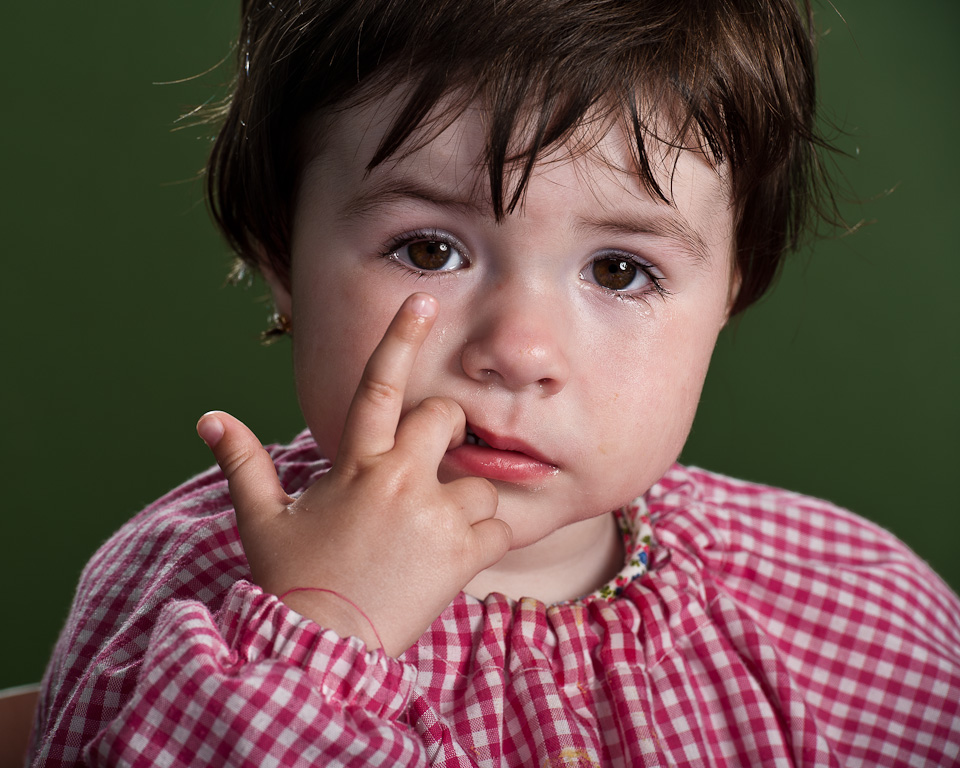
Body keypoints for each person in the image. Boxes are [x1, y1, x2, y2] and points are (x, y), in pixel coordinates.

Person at [28, 0, 960, 765]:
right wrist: (314, 646)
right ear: (281, 250)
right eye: (429, 249)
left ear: (732, 288)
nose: (517, 351)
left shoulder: (860, 610)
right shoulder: (176, 611)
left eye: (620, 269)